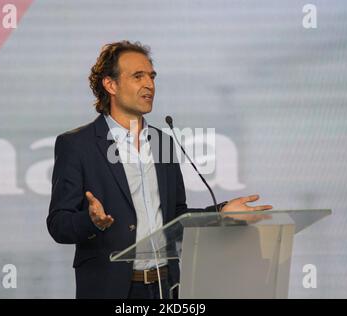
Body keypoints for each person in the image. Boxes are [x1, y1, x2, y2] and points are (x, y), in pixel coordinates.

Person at [47, 41, 272, 299]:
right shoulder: (77, 145)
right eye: (138, 76)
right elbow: (58, 224)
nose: (149, 85)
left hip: (165, 288)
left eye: (152, 77)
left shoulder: (163, 141)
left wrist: (221, 213)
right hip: (111, 289)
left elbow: (176, 216)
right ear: (110, 85)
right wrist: (92, 221)